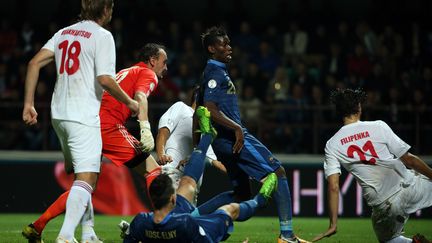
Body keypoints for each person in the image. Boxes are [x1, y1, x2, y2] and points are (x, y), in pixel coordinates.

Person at [22, 43, 168, 243]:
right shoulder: (147, 73)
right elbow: (141, 97)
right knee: (154, 171)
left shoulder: (125, 71)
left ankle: (38, 227)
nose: (166, 67)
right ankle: (160, 226)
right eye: (163, 61)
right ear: (152, 60)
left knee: (84, 185)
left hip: (90, 124)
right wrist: (145, 127)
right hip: (108, 126)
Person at [22, 0, 139, 242]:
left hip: (58, 115)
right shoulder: (103, 36)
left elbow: (33, 63)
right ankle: (65, 236)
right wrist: (131, 103)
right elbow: (105, 79)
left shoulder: (63, 33)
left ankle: (88, 233)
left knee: (83, 178)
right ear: (106, 11)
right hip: (82, 115)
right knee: (87, 179)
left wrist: (28, 104)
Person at [199, 26, 308, 243]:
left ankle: (188, 219)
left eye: (229, 43)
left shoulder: (216, 71)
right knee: (278, 173)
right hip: (233, 138)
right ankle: (287, 235)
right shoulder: (214, 73)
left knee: (240, 195)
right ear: (212, 49)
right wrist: (237, 128)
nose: (229, 48)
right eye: (223, 44)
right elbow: (209, 108)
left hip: (224, 140)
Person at [122, 106, 278, 242]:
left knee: (187, 183)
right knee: (230, 210)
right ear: (173, 198)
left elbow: (130, 238)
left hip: (173, 220)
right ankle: (261, 200)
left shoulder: (140, 222)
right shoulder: (185, 223)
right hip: (194, 229)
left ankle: (208, 135)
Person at [313, 88, 432, 243]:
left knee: (389, 240)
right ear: (359, 107)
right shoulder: (378, 126)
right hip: (408, 187)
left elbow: (334, 186)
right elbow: (409, 160)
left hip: (384, 205)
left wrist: (333, 224)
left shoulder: (332, 144)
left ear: (339, 111)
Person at [156, 86, 226, 202]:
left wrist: (249, 172)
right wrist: (161, 153)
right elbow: (163, 131)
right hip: (173, 174)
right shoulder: (181, 107)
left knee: (182, 219)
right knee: (169, 214)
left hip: (192, 188)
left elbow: (218, 164)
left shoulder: (205, 129)